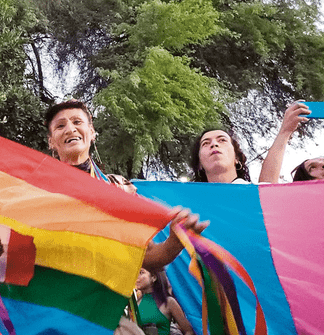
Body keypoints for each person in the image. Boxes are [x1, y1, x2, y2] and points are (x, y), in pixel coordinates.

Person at [45, 100, 209, 270]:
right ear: (51, 141)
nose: (70, 129)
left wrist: (174, 243)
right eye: (60, 126)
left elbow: (147, 256)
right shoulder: (38, 191)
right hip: (53, 292)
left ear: (92, 132)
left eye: (77, 122)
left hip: (107, 295)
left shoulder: (119, 187)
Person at [135, 268, 195, 335]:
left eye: (141, 273)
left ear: (153, 277)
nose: (137, 277)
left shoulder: (168, 302)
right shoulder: (136, 304)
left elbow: (189, 330)